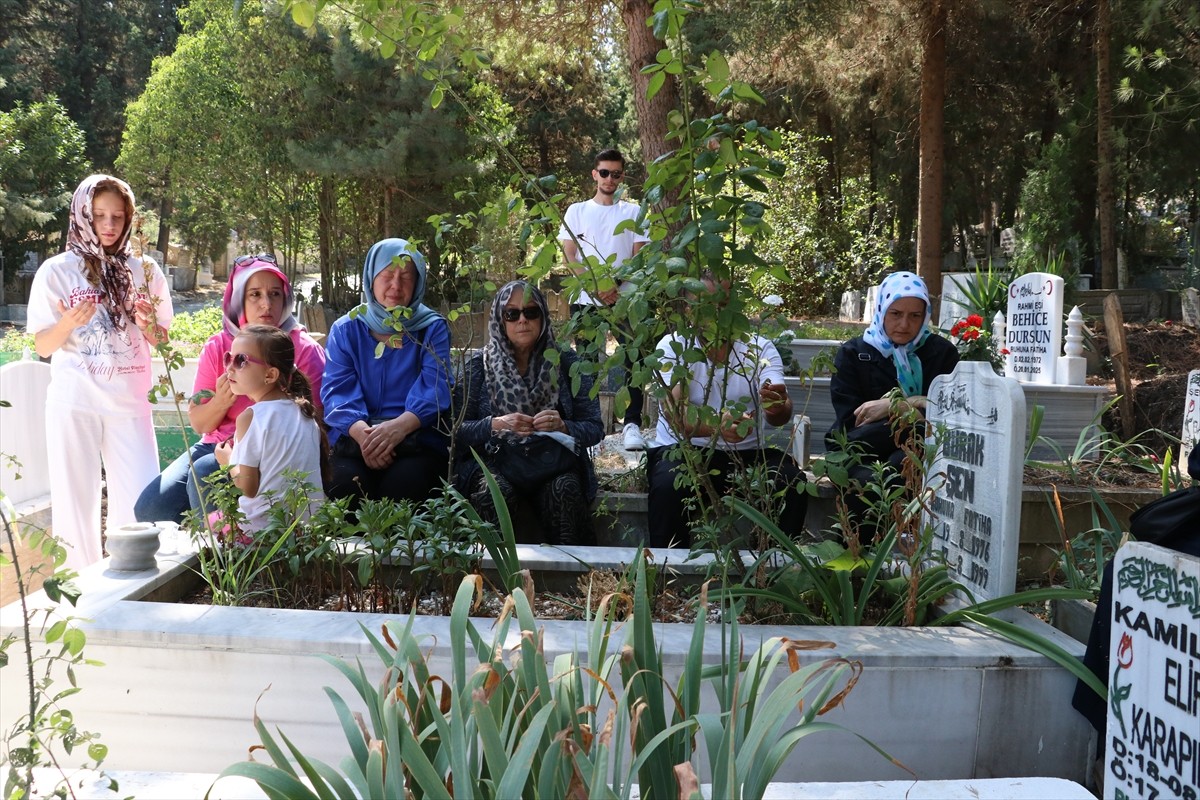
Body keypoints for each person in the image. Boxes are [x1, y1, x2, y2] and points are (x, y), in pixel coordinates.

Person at [26, 174, 173, 569]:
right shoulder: (56, 272)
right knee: (74, 504)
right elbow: (43, 346)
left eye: (118, 217)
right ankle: (81, 591)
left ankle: (134, 583)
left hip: (130, 403)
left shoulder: (144, 270)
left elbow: (162, 341)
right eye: (99, 215)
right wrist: (67, 324)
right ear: (82, 215)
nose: (108, 225)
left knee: (142, 503)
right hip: (75, 403)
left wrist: (147, 325)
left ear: (129, 218)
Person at [134, 254, 326, 524]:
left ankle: (225, 543)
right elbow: (200, 424)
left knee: (205, 472)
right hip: (217, 445)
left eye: (275, 294)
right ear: (238, 300)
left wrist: (241, 453)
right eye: (255, 294)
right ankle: (213, 533)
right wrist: (222, 401)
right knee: (151, 509)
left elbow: (313, 421)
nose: (266, 304)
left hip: (274, 452)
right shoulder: (218, 346)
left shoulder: (302, 349)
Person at [647, 275, 808, 549]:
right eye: (707, 306)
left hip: (747, 453)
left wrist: (777, 405)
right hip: (683, 451)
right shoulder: (673, 346)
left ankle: (777, 564)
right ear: (688, 310)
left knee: (791, 481)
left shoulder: (759, 348)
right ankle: (667, 567)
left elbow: (779, 412)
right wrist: (716, 426)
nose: (718, 314)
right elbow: (675, 415)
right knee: (668, 484)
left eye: (724, 304)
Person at [453, 281, 604, 545]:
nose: (522, 320)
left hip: (553, 463)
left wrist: (563, 426)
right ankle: (487, 570)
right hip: (495, 462)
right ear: (500, 320)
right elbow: (454, 430)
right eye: (512, 314)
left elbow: (594, 428)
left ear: (543, 316)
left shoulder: (566, 362)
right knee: (493, 493)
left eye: (531, 312)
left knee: (565, 489)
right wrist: (495, 425)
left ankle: (572, 569)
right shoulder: (478, 365)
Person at [321, 238, 452, 507]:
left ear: (418, 283)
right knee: (345, 486)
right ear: (371, 277)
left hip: (416, 438)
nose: (396, 285)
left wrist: (397, 429)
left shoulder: (431, 328)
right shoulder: (346, 329)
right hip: (355, 438)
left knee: (404, 487)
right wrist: (366, 437)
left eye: (406, 276)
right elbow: (336, 390)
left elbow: (436, 387)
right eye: (387, 275)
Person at [825, 271, 960, 528]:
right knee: (870, 482)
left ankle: (907, 548)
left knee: (905, 462)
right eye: (895, 313)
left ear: (925, 315)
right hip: (859, 454)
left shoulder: (942, 354)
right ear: (881, 310)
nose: (904, 324)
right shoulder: (854, 353)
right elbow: (854, 423)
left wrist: (897, 405)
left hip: (919, 451)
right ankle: (860, 551)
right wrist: (917, 410)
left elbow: (949, 416)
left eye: (915, 316)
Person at [558, 148, 651, 451]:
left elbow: (639, 256)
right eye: (605, 172)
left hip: (626, 300)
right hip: (586, 298)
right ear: (594, 174)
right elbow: (569, 255)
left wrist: (615, 285)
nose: (610, 178)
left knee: (633, 359)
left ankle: (632, 424)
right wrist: (596, 285)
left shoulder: (634, 213)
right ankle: (589, 427)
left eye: (616, 173)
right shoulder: (576, 211)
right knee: (586, 362)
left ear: (623, 176)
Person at [212, 325, 327, 532]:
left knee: (205, 524)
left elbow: (248, 488)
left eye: (241, 361)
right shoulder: (305, 412)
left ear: (270, 374)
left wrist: (227, 461)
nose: (229, 368)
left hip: (262, 531)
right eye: (228, 358)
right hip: (308, 532)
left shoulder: (251, 417)